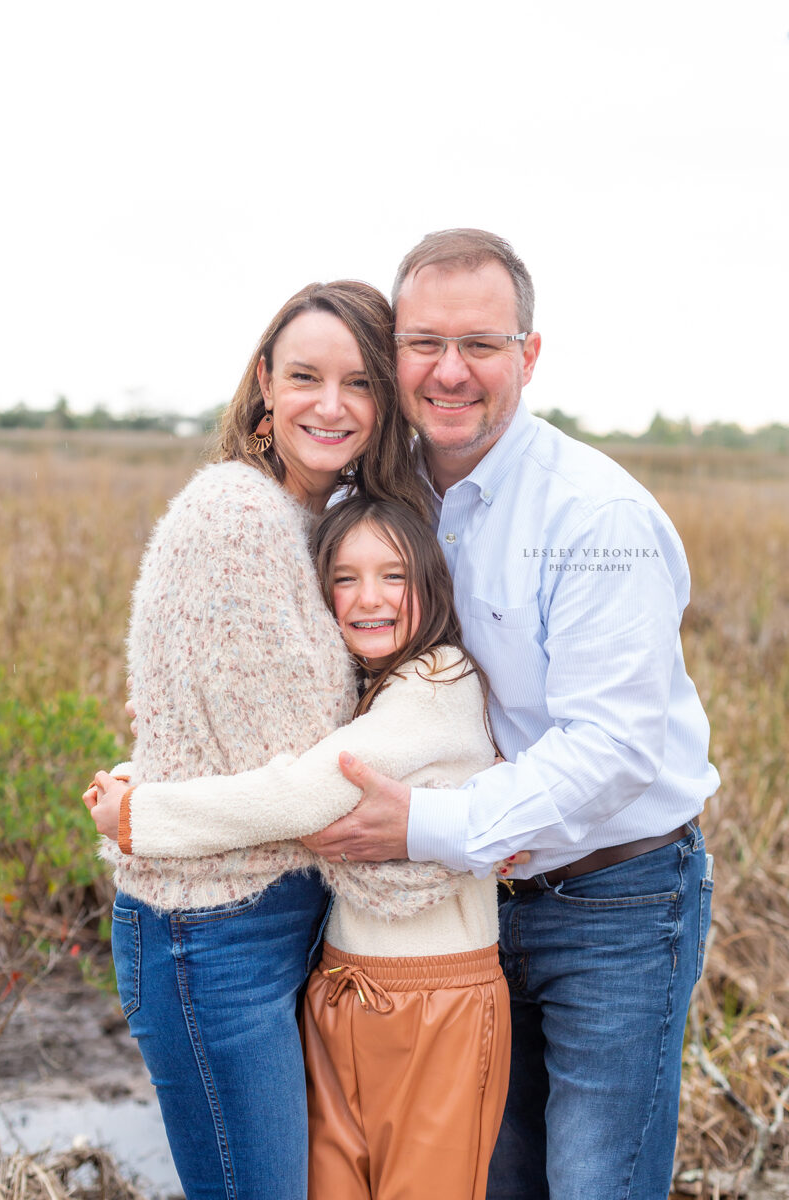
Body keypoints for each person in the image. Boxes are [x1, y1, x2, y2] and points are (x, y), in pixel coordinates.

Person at [302, 229, 720, 1200]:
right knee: (488, 1177)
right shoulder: (383, 497)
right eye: (423, 344)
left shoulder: (592, 516)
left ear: (526, 356)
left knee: (593, 1183)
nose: (449, 372)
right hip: (470, 910)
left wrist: (423, 825)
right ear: (392, 354)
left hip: (613, 900)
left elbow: (612, 750)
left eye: (480, 345)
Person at [83, 280, 428, 1200]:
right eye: (306, 376)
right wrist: (463, 847)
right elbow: (322, 795)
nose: (331, 403)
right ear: (265, 386)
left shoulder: (330, 522)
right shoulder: (238, 519)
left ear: (386, 400)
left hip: (276, 911)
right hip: (211, 929)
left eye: (359, 382)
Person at [89, 497, 512, 1200]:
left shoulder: (438, 683)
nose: (368, 598)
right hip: (341, 988)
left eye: (394, 576)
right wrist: (157, 746)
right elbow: (249, 744)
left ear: (433, 585)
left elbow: (301, 791)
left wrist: (141, 814)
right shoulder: (363, 689)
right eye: (344, 579)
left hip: (437, 1001)